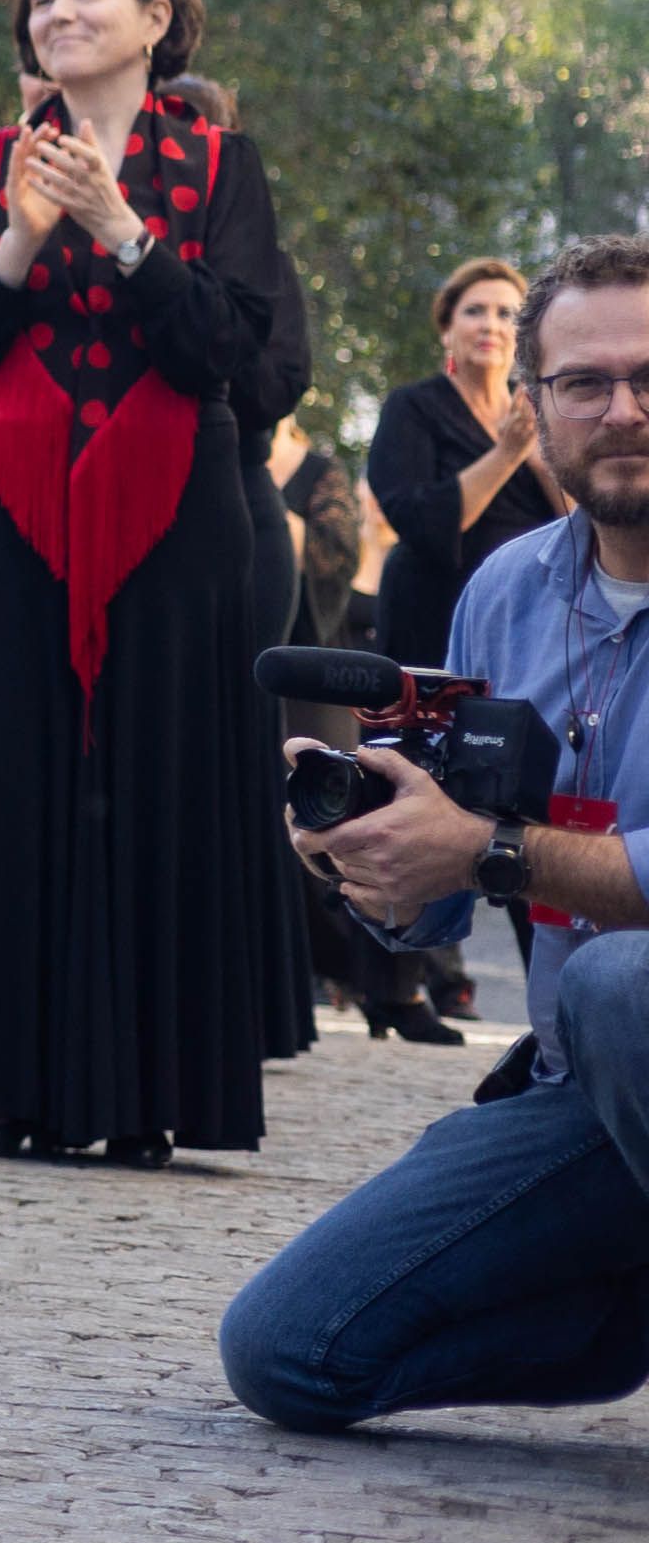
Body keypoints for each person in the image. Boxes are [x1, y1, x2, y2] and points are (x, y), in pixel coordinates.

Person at [0, 0, 306, 1165]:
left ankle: (145, 1100)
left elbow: (240, 364)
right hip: (4, 511)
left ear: (155, 19)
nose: (55, 14)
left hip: (176, 516)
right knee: (5, 771)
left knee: (156, 777)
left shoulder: (223, 166)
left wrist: (120, 230)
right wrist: (17, 239)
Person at [223, 233, 649, 1432]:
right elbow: (444, 899)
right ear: (533, 406)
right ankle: (616, 1314)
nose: (623, 411)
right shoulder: (505, 590)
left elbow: (496, 859)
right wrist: (368, 858)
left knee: (625, 981)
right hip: (582, 1097)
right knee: (285, 1353)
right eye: (585, 384)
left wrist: (490, 852)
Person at [370, 257, 550, 676]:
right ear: (447, 332)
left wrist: (540, 460)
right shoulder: (412, 406)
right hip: (431, 617)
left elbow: (582, 528)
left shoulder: (543, 410)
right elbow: (417, 520)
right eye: (475, 311)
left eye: (506, 313)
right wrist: (506, 454)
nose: (490, 324)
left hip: (526, 616)